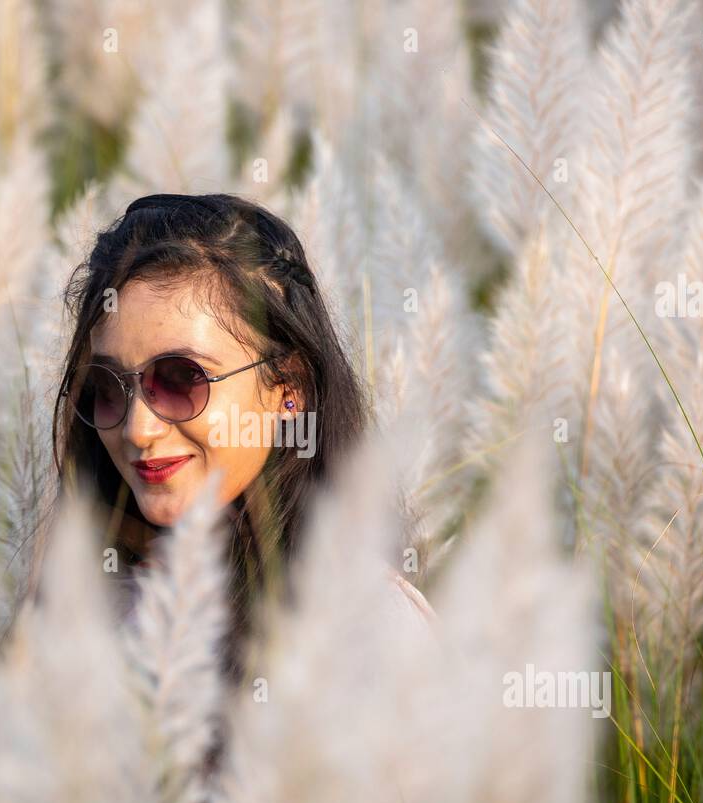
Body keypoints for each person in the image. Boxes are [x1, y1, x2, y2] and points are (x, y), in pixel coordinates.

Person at [52, 193, 434, 688]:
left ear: (287, 391)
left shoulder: (368, 629)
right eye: (104, 388)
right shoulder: (85, 612)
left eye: (180, 378)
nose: (137, 430)